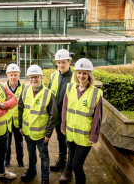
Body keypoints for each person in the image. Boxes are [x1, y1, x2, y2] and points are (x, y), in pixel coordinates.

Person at [61, 58, 103, 184]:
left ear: (89, 75)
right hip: (71, 134)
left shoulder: (96, 93)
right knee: (74, 163)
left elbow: (98, 117)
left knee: (76, 166)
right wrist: (63, 126)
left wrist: (94, 135)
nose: (81, 76)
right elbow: (64, 109)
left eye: (85, 73)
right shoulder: (69, 88)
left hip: (85, 137)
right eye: (79, 72)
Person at [18, 65, 57, 184]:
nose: (33, 80)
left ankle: (45, 177)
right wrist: (20, 126)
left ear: (41, 78)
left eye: (36, 77)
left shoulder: (48, 94)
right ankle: (31, 170)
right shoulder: (25, 91)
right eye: (31, 77)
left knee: (44, 156)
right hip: (28, 132)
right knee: (31, 154)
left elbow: (53, 115)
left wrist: (48, 133)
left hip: (41, 134)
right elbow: (20, 109)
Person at [48, 49, 74, 183]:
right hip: (57, 116)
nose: (61, 65)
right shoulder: (54, 75)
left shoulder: (75, 77)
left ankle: (69, 168)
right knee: (60, 139)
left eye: (63, 62)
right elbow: (49, 94)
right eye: (58, 62)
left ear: (69, 62)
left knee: (70, 143)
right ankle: (62, 159)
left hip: (69, 118)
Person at [4, 63, 25, 167]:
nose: (13, 77)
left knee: (19, 143)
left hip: (18, 123)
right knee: (6, 144)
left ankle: (20, 161)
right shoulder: (2, 88)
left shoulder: (24, 88)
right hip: (7, 122)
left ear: (19, 76)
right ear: (7, 75)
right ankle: (6, 161)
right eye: (11, 75)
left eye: (15, 75)